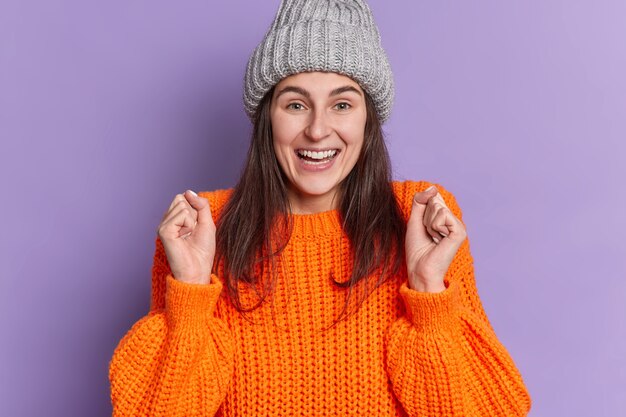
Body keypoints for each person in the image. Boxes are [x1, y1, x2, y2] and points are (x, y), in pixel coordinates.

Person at [108, 0, 532, 415]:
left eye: (342, 104)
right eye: (295, 104)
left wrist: (427, 288)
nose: (317, 129)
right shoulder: (203, 226)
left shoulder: (418, 217)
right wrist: (192, 292)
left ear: (368, 119)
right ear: (267, 118)